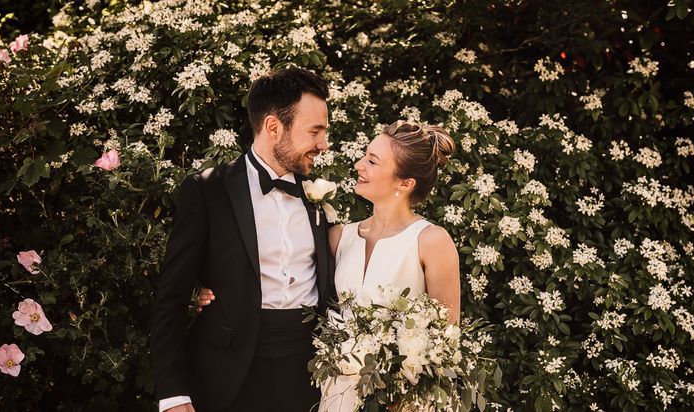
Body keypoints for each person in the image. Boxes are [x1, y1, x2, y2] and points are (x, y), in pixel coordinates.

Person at [199, 119, 461, 412]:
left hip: (403, 399)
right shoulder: (340, 236)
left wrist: (400, 389)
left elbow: (445, 341)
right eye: (364, 155)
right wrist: (209, 289)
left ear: (405, 183)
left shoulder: (431, 241)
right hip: (339, 393)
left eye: (372, 161)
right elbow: (269, 264)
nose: (359, 165)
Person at [151, 67, 333, 412]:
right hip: (229, 376)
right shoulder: (208, 190)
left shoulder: (319, 195)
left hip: (312, 374)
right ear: (273, 127)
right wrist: (173, 393)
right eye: (315, 131)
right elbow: (170, 298)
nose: (323, 144)